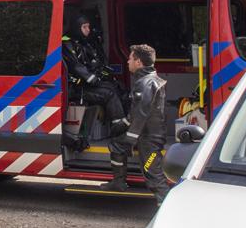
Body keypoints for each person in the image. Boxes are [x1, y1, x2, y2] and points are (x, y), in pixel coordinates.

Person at [102, 44, 171, 205]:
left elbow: (141, 112)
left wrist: (131, 137)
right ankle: (118, 183)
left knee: (152, 172)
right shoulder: (148, 79)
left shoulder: (145, 83)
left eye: (130, 58)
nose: (127, 62)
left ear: (138, 62)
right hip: (146, 134)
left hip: (149, 138)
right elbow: (136, 112)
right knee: (117, 145)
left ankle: (166, 206)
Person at [62, 16, 127, 133]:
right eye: (84, 27)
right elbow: (76, 66)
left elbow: (93, 61)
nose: (88, 30)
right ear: (77, 28)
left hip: (86, 84)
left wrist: (103, 73)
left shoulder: (84, 43)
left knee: (118, 87)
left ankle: (124, 124)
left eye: (89, 27)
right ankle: (119, 130)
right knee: (109, 94)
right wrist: (91, 78)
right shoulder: (67, 43)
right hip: (76, 88)